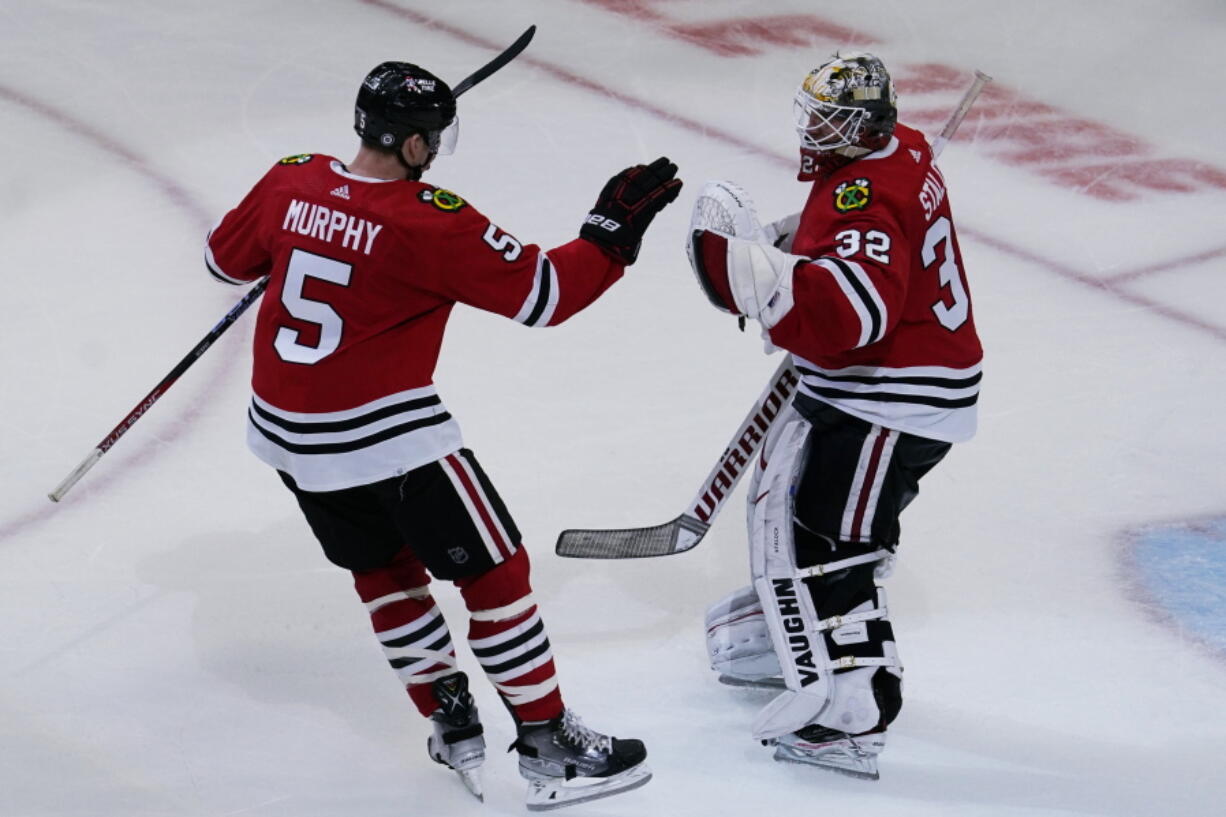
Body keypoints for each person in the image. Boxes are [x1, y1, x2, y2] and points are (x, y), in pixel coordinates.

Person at [204, 60, 680, 809]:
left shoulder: (289, 179)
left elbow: (221, 260)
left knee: (385, 569)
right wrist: (612, 230)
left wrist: (296, 242)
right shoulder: (431, 218)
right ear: (419, 145)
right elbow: (547, 295)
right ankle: (548, 742)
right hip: (383, 438)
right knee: (497, 573)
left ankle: (449, 716)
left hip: (288, 439)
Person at [687, 52, 982, 779]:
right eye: (812, 113)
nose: (814, 130)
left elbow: (856, 319)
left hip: (894, 395)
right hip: (893, 386)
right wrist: (802, 240)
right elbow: (861, 232)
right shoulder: (900, 148)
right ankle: (788, 637)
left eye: (830, 120)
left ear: (862, 125)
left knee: (834, 538)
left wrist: (764, 288)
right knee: (803, 509)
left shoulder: (866, 198)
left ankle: (855, 711)